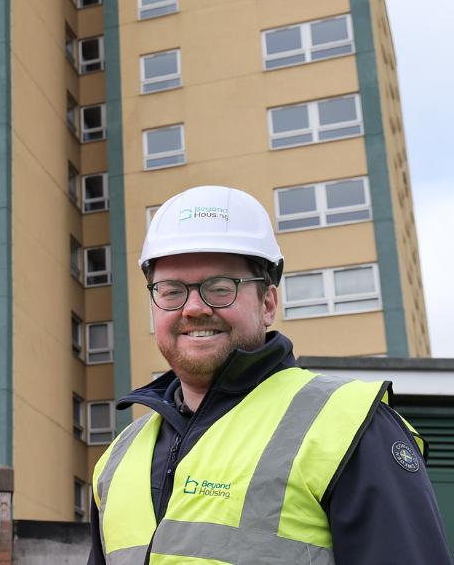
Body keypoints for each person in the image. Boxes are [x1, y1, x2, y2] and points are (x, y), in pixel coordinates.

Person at [88, 185, 451, 564]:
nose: (193, 308)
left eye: (220, 288)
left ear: (268, 304)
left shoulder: (350, 426)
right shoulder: (118, 458)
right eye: (171, 291)